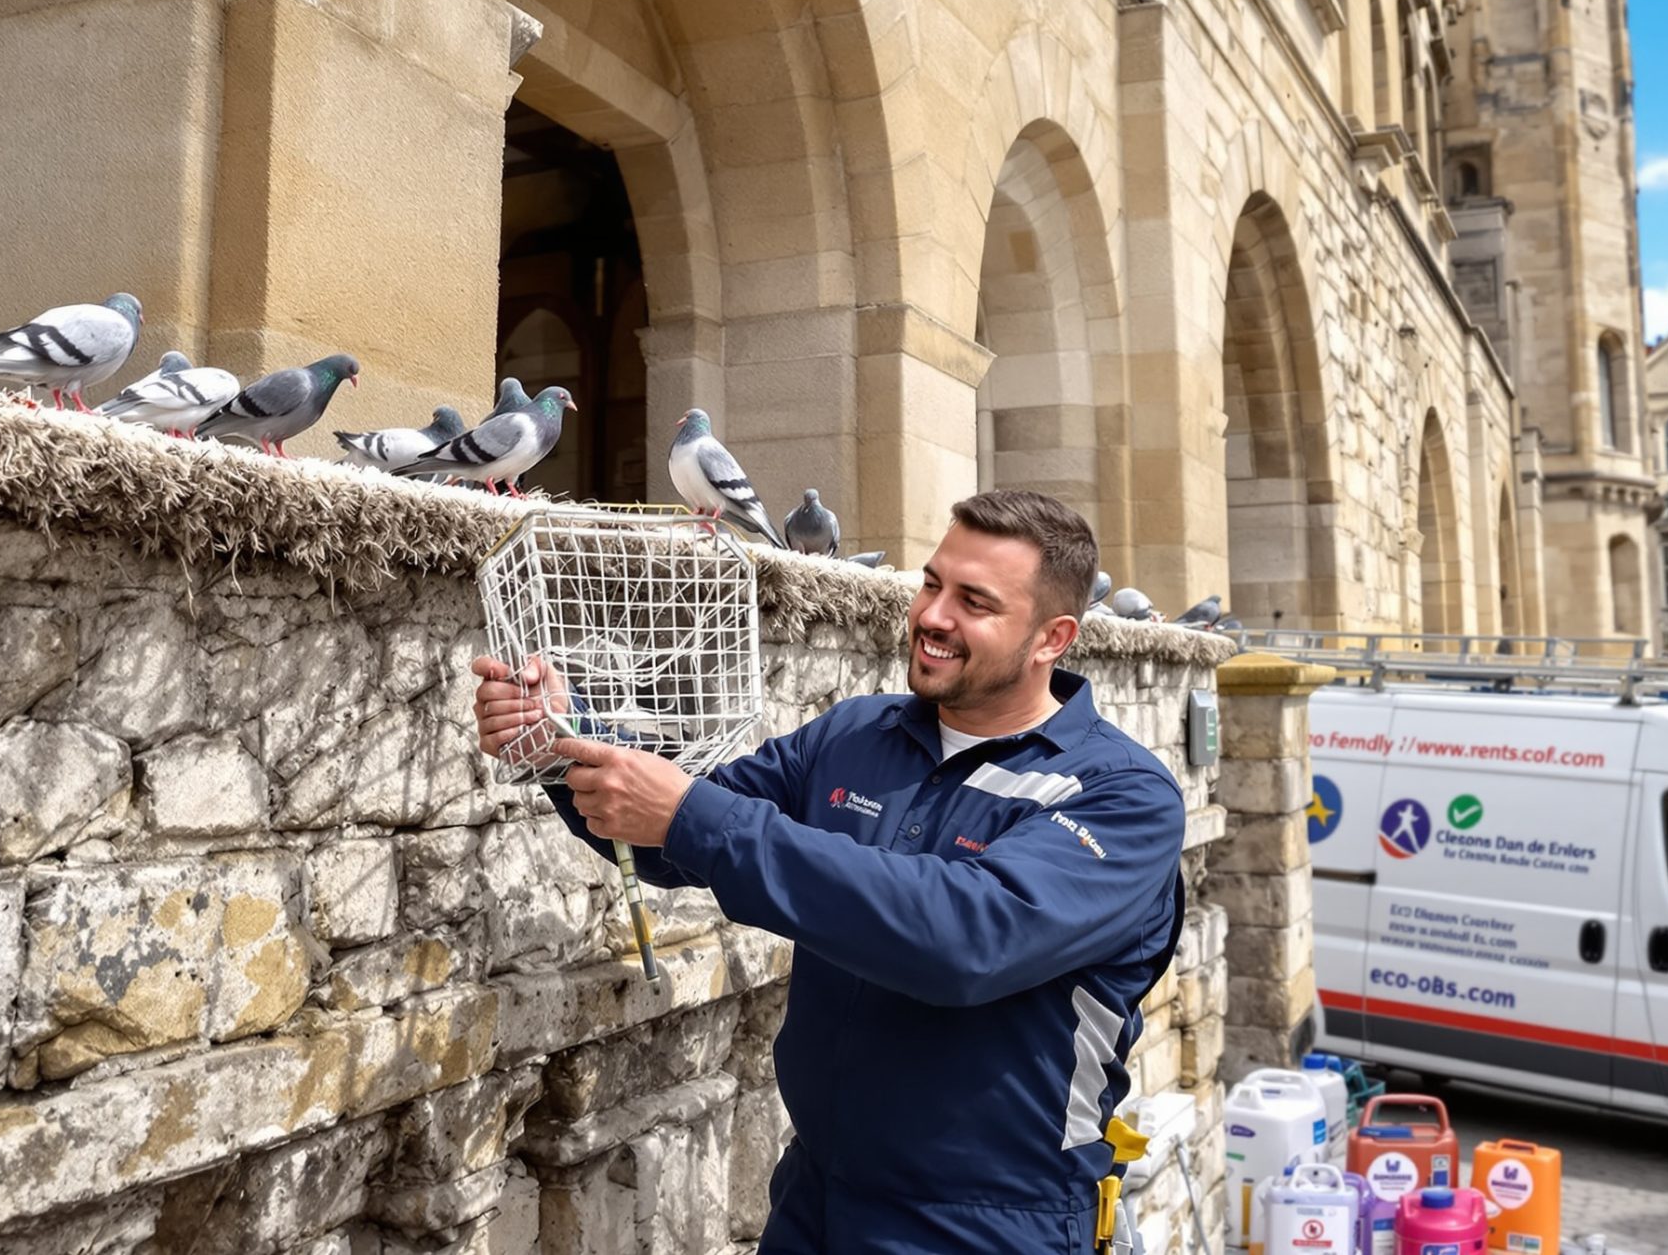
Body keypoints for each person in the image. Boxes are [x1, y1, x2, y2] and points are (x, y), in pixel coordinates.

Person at [473, 490, 1186, 1254]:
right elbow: (670, 836)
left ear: (1054, 637)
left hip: (993, 1225)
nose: (933, 615)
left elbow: (964, 939)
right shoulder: (856, 734)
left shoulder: (1122, 796)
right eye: (932, 583)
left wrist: (692, 815)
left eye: (974, 601)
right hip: (816, 1199)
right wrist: (565, 738)